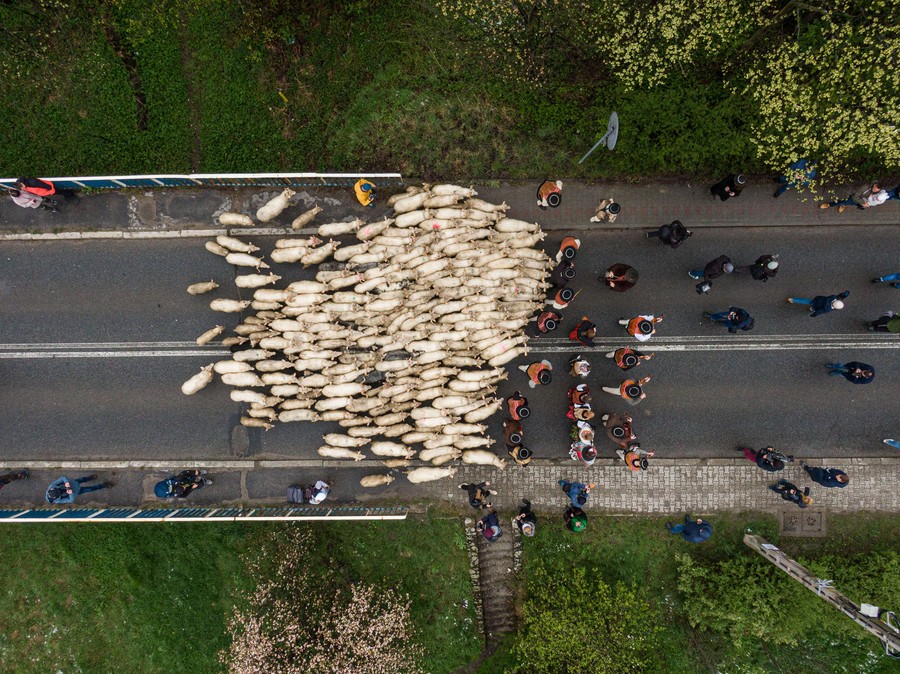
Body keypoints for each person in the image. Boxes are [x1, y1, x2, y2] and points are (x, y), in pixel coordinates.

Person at [819, 182, 889, 213]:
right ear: (873, 185)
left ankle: (843, 205)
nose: (874, 191)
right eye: (874, 189)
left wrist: (868, 204)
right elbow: (856, 196)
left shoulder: (879, 193)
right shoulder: (865, 187)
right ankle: (829, 204)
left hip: (863, 202)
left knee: (851, 204)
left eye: (876, 191)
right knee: (845, 201)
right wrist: (863, 203)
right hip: (856, 199)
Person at [46, 475, 112, 504]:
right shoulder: (57, 501)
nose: (60, 490)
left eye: (58, 489)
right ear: (56, 497)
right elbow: (70, 500)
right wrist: (71, 493)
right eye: (59, 492)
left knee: (82, 479)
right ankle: (103, 485)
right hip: (76, 491)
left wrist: (66, 483)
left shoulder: (52, 486)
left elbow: (63, 478)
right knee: (90, 489)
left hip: (73, 483)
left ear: (52, 489)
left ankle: (90, 478)